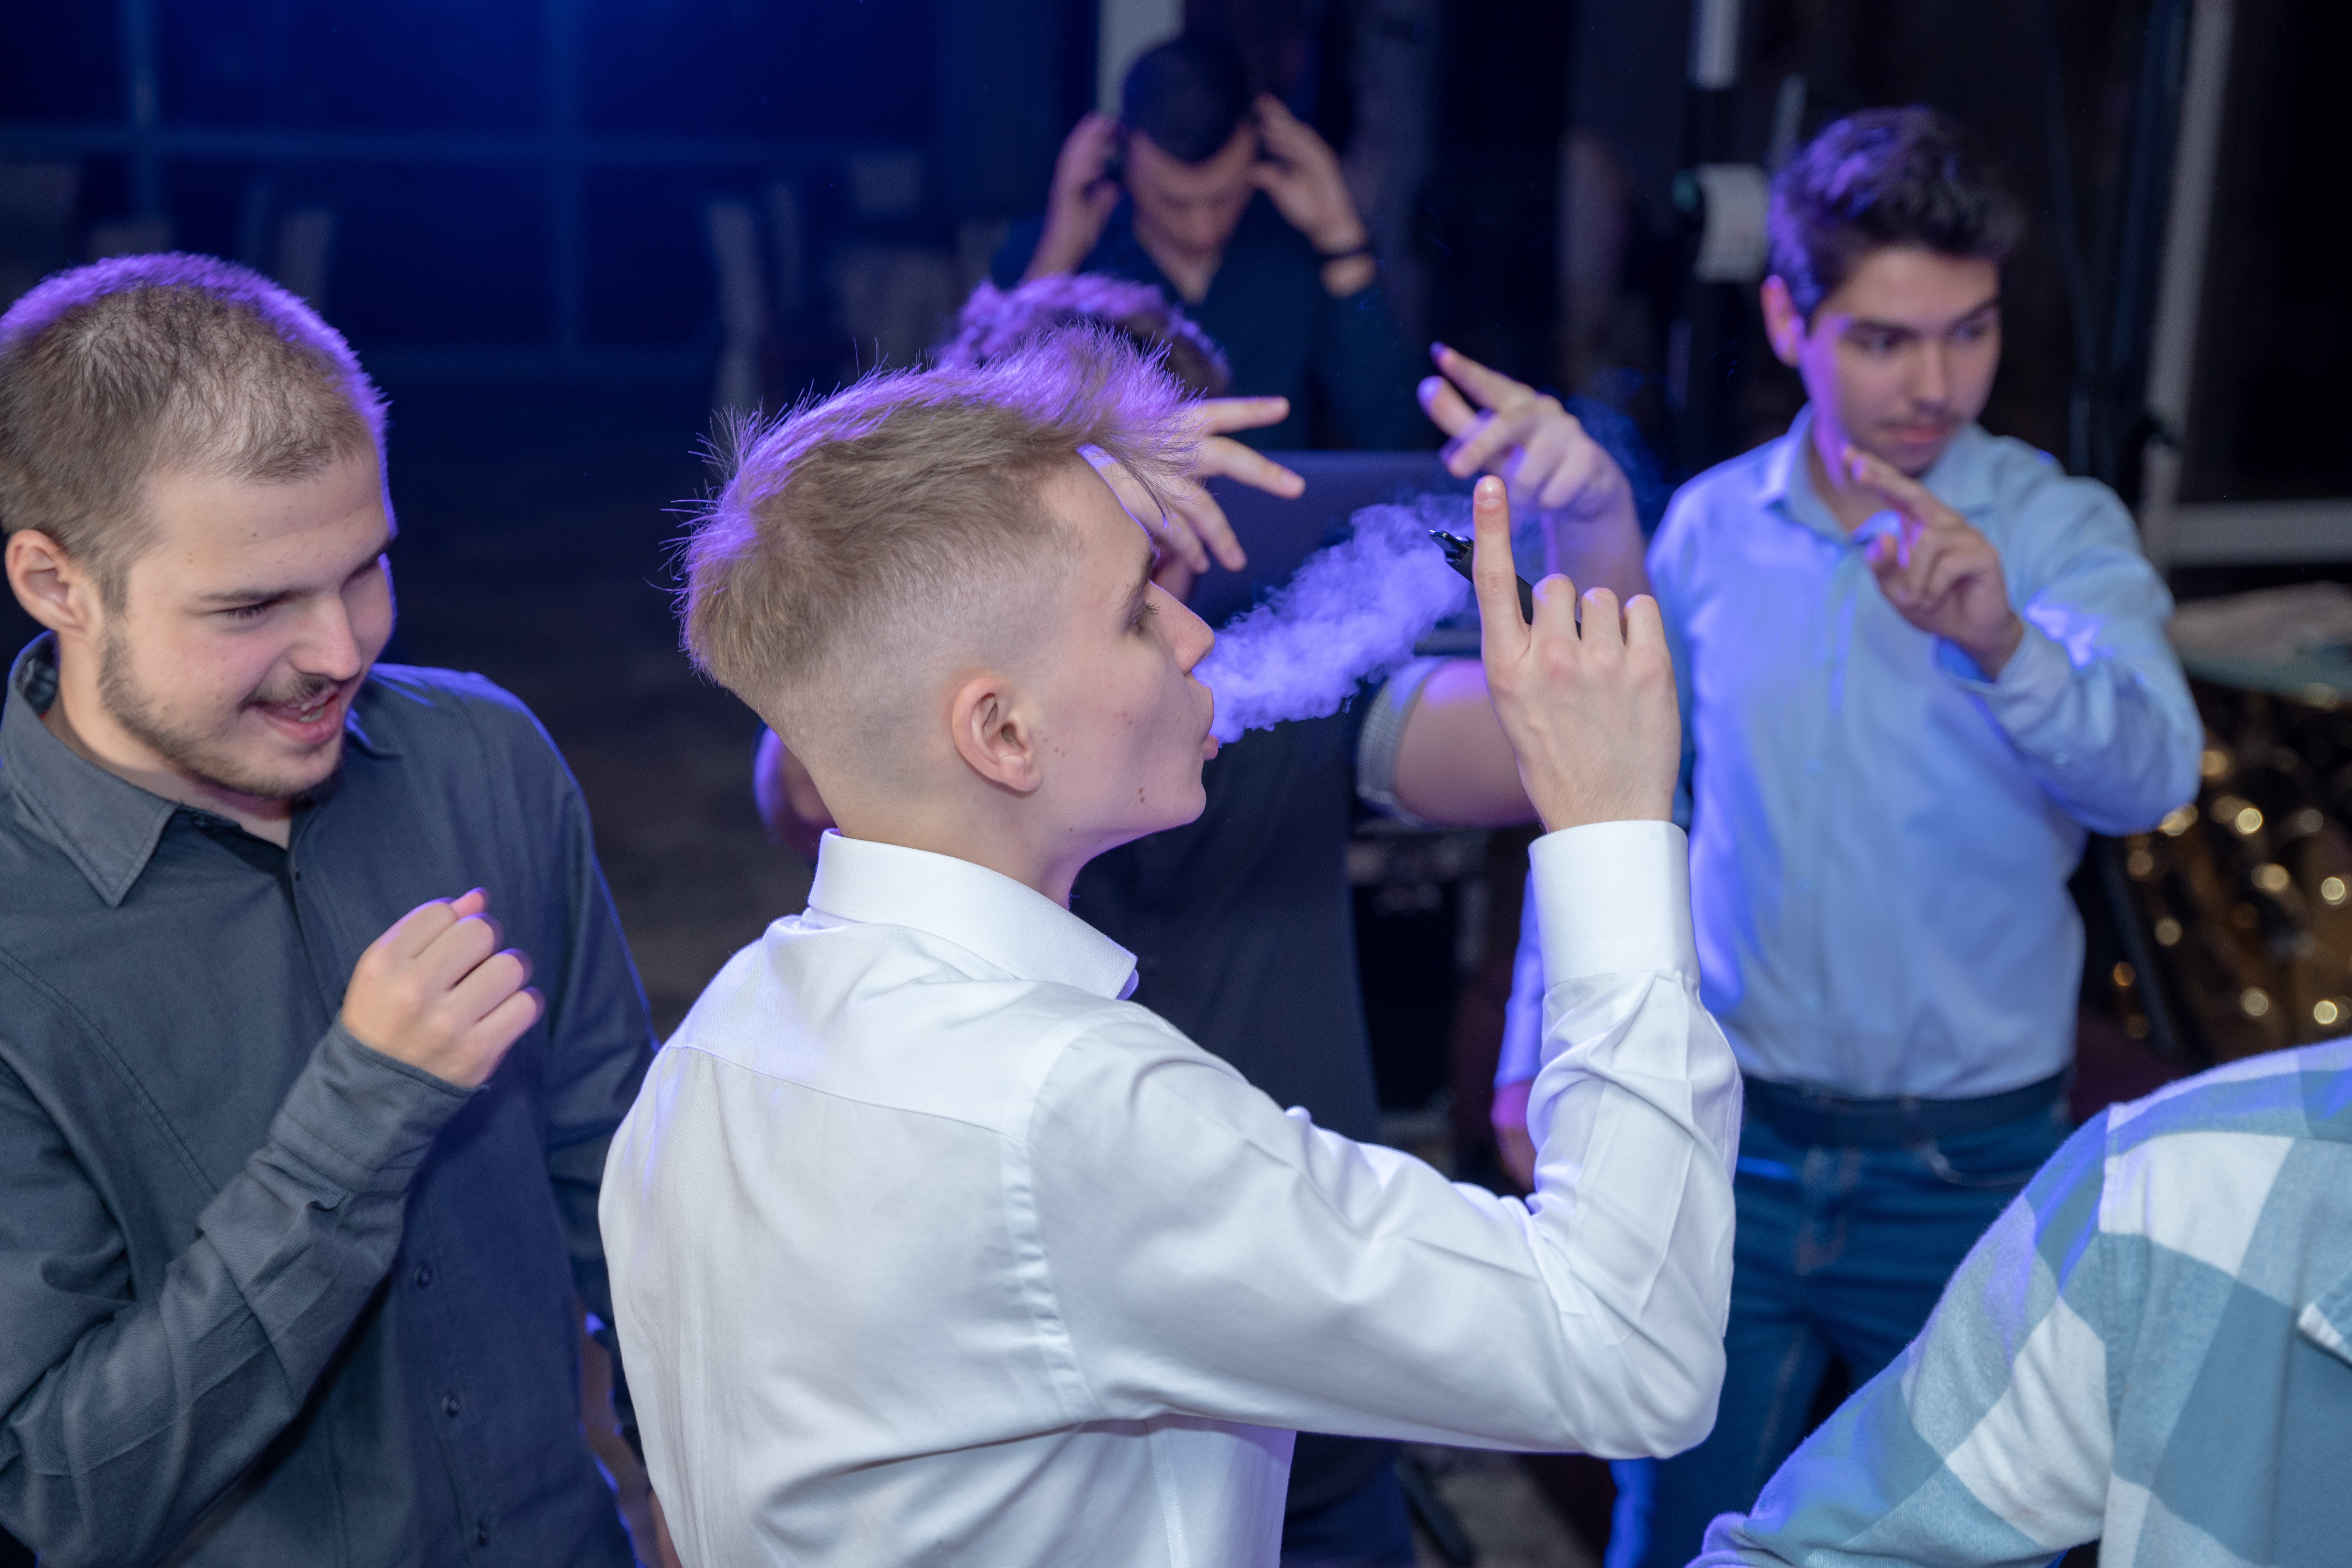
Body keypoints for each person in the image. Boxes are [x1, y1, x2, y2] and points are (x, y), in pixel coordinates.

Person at [601, 328, 1740, 1566]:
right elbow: (1629, 1349)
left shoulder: (702, 1061)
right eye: (1137, 610)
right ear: (1001, 731)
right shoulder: (1077, 1114)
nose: (1195, 636)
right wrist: (1615, 827)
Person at [1489, 107, 2203, 1565]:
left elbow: (2149, 776)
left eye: (1967, 332)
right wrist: (1533, 1034)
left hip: (1965, 1164)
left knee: (1972, 1542)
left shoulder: (2054, 530)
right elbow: (1627, 801)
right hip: (1729, 1141)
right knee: (1676, 1528)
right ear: (1787, 319)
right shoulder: (1705, 530)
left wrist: (2004, 643)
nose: (1932, 383)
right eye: (1883, 339)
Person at [0, 255, 661, 1565]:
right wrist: (360, 1118)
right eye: (252, 607)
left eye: (366, 569)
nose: (344, 651)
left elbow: (621, 1188)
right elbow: (63, 1495)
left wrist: (713, 1478)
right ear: (56, 582)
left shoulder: (484, 759)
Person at [1692, 1037, 2352, 1567]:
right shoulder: (2170, 1187)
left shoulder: (2173, 1185)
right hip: (1747, 1126)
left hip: (1972, 1140)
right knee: (1680, 1504)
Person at [995, 33, 1426, 449]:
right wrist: (1055, 263)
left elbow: (1398, 438)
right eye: (1173, 203)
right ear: (1122, 155)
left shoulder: (1295, 250)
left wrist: (1340, 237)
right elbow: (986, 446)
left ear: (1260, 148)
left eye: (1224, 198)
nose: (1202, 228)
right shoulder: (1054, 246)